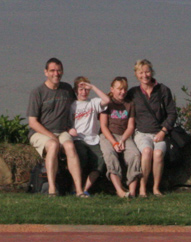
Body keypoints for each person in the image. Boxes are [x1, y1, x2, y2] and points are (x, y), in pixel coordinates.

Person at [26, 58, 87, 196]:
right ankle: (52, 189)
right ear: (46, 72)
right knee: (53, 145)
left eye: (59, 70)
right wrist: (52, 136)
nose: (56, 73)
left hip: (62, 131)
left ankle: (78, 190)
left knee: (70, 147)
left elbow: (78, 106)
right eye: (52, 70)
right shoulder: (37, 92)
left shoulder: (66, 89)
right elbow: (33, 122)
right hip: (40, 133)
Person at [127, 59, 177, 197]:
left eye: (147, 71)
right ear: (136, 74)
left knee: (158, 154)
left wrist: (163, 131)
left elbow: (172, 113)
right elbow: (121, 107)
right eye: (141, 72)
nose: (145, 75)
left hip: (159, 132)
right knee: (147, 151)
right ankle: (142, 188)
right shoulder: (133, 93)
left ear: (152, 72)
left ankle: (156, 188)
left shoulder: (163, 90)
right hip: (141, 133)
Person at [99, 76, 142, 197]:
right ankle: (120, 191)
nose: (122, 92)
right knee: (110, 155)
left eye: (124, 89)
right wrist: (114, 143)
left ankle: (132, 191)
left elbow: (131, 126)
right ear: (112, 89)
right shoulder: (107, 103)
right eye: (119, 89)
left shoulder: (130, 104)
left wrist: (123, 139)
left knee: (135, 155)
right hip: (108, 136)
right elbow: (103, 126)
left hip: (124, 136)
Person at [68, 76, 110, 196]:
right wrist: (69, 129)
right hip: (78, 139)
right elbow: (65, 122)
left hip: (93, 139)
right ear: (76, 91)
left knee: (100, 161)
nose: (84, 92)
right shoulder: (72, 105)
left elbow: (106, 100)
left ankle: (85, 189)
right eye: (81, 89)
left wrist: (93, 87)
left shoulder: (93, 102)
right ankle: (75, 188)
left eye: (86, 89)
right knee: (81, 158)